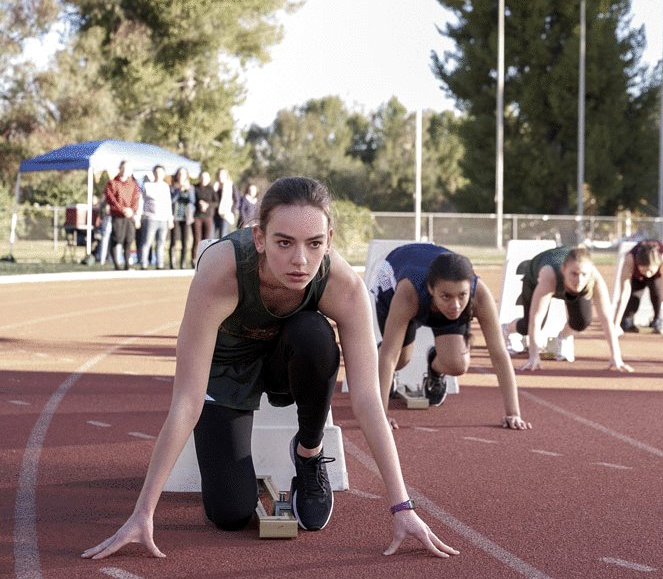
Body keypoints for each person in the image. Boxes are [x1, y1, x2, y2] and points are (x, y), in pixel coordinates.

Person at [81, 177, 458, 561]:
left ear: (329, 240)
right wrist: (143, 512)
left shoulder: (343, 286)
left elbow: (366, 400)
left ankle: (308, 454)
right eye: (284, 243)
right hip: (226, 369)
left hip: (288, 360)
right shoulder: (222, 270)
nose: (300, 260)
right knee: (230, 514)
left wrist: (402, 507)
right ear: (259, 238)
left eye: (314, 244)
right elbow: (187, 400)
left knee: (315, 334)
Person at [371, 242, 531, 431]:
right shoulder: (408, 294)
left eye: (462, 295)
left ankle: (435, 369)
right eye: (447, 296)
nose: (455, 305)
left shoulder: (478, 295)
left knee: (457, 364)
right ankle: (382, 373)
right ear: (431, 289)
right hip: (393, 279)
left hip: (433, 290)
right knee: (399, 359)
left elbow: (499, 353)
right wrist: (381, 415)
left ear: (469, 288)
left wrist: (513, 413)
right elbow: (389, 356)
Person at [501, 245, 633, 373]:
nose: (579, 280)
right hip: (534, 278)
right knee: (528, 325)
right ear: (563, 269)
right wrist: (534, 356)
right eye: (574, 274)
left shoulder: (593, 279)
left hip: (567, 281)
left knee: (581, 322)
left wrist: (616, 357)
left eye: (584, 274)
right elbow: (536, 318)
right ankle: (507, 329)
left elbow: (606, 319)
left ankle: (562, 337)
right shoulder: (549, 276)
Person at [612, 239, 663, 338]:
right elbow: (624, 294)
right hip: (637, 276)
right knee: (632, 301)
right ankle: (627, 320)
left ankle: (659, 318)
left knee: (658, 293)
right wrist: (615, 325)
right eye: (644, 270)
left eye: (650, 270)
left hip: (658, 275)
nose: (647, 274)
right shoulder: (630, 259)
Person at [104, 160, 141, 270]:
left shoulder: (133, 184)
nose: (125, 170)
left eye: (127, 168)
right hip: (118, 216)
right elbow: (111, 199)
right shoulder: (112, 183)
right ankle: (116, 264)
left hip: (129, 216)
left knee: (128, 240)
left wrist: (131, 210)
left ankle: (127, 265)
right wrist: (122, 209)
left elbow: (136, 199)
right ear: (119, 169)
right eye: (123, 168)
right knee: (117, 238)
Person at [139, 165, 174, 270]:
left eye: (161, 172)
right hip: (151, 218)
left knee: (161, 243)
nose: (158, 174)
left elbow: (168, 203)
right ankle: (144, 263)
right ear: (153, 173)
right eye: (157, 172)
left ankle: (160, 264)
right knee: (147, 242)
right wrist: (140, 216)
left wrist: (170, 219)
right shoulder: (147, 186)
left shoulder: (165, 186)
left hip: (163, 219)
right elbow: (141, 201)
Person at [169, 167, 195, 270]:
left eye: (183, 174)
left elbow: (192, 201)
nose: (181, 176)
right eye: (179, 174)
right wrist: (179, 190)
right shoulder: (173, 187)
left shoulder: (190, 188)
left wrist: (188, 190)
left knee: (185, 241)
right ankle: (172, 263)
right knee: (174, 240)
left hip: (186, 218)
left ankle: (183, 263)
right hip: (175, 217)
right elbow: (172, 200)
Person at [191, 170, 217, 266]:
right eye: (202, 177)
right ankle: (194, 259)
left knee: (207, 240)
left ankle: (205, 260)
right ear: (199, 178)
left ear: (209, 179)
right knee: (197, 239)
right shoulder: (194, 188)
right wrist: (199, 204)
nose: (203, 179)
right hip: (197, 216)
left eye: (206, 177)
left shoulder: (211, 189)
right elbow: (191, 201)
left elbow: (216, 202)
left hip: (208, 217)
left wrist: (207, 204)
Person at [214, 168, 239, 238]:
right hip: (214, 214)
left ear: (226, 175)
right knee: (211, 237)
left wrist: (231, 211)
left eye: (222, 174)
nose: (220, 176)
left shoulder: (230, 186)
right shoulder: (215, 186)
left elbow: (237, 200)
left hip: (225, 215)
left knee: (223, 237)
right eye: (219, 174)